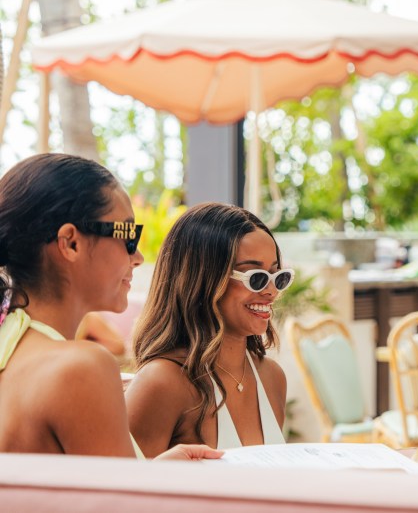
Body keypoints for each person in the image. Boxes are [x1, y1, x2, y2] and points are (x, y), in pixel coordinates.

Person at [0, 153, 219, 460]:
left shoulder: (13, 348)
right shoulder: (80, 368)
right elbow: (122, 493)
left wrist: (154, 471)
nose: (138, 257)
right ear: (71, 243)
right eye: (129, 235)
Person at [127, 202, 289, 456]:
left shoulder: (272, 377)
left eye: (278, 276)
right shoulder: (162, 383)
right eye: (255, 278)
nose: (271, 291)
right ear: (202, 280)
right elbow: (118, 479)